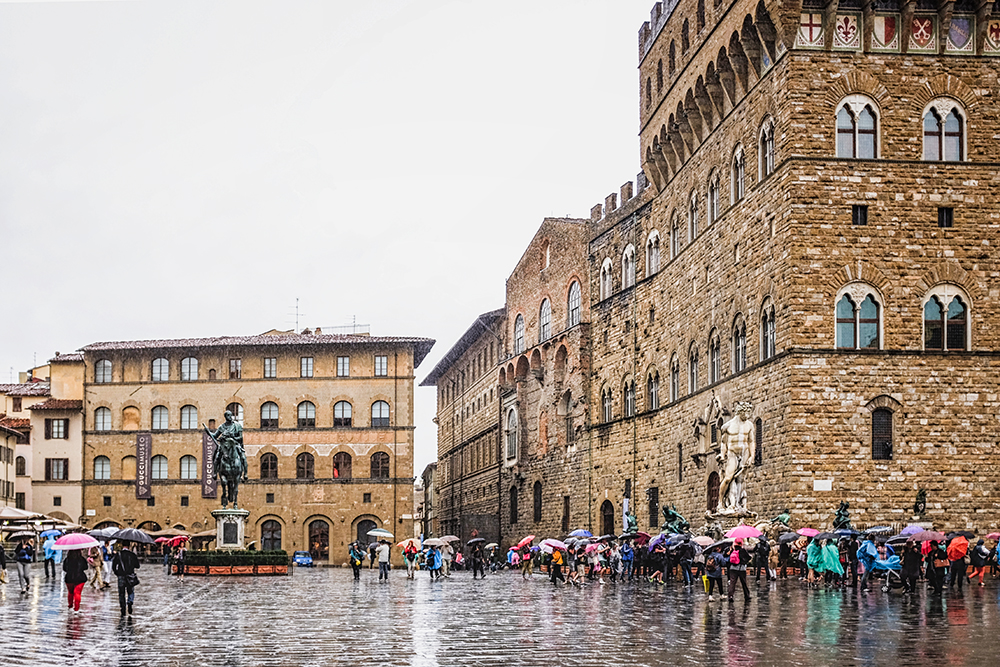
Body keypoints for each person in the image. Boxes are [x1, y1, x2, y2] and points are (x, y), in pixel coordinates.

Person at [112, 542, 141, 617]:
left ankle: (123, 608)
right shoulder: (132, 555)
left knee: (121, 593)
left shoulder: (118, 554)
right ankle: (130, 601)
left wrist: (117, 573)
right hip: (130, 576)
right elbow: (137, 566)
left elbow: (114, 565)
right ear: (129, 546)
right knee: (130, 591)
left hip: (121, 576)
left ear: (122, 545)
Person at [727, 538, 751, 602]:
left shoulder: (732, 550)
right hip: (741, 569)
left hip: (732, 568)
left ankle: (730, 595)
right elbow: (748, 558)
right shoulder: (743, 550)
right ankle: (747, 596)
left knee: (732, 582)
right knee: (744, 582)